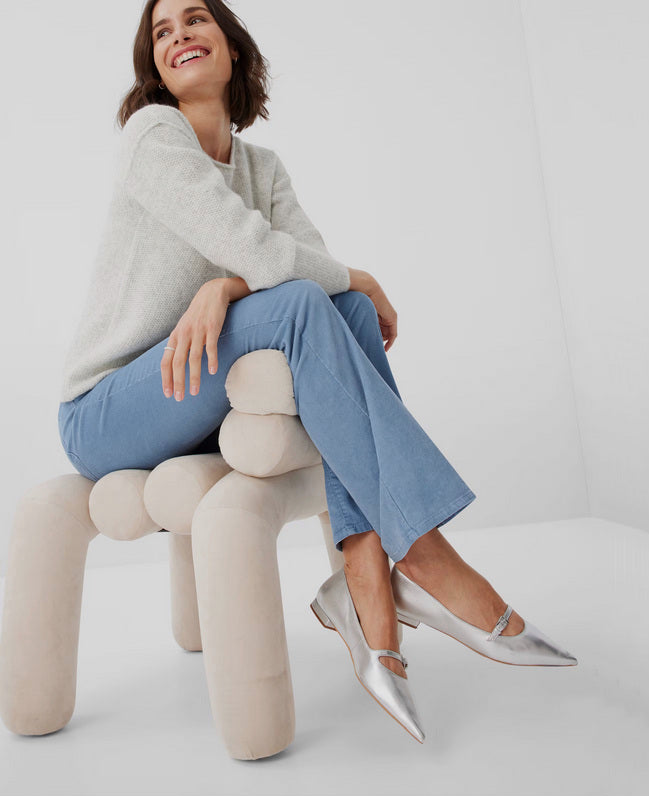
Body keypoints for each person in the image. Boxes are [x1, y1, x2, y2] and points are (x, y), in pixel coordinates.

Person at [57, 0, 578, 744]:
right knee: (320, 300)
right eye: (162, 32)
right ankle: (423, 556)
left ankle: (364, 583)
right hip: (108, 409)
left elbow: (309, 276)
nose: (179, 36)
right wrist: (342, 274)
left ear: (232, 47)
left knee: (350, 313)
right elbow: (280, 264)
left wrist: (228, 286)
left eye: (195, 19)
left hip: (195, 394)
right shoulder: (153, 135)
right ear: (156, 69)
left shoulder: (263, 169)